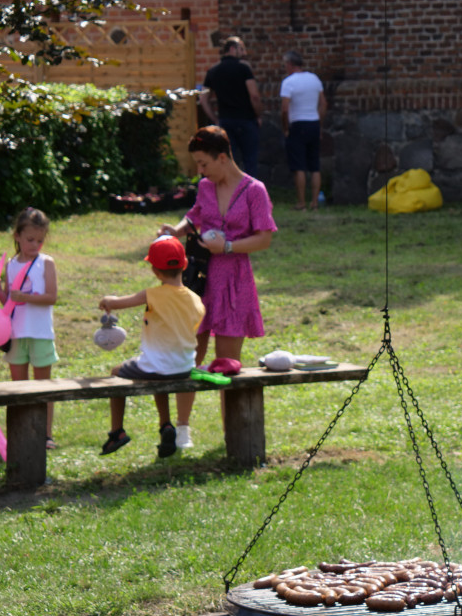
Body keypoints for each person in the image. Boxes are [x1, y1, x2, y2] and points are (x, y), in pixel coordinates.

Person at [158, 126, 277, 449]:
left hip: (235, 281)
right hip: (200, 279)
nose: (200, 170)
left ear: (222, 158)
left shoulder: (255, 190)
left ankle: (231, 436)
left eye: (203, 163)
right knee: (189, 355)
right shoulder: (206, 187)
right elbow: (195, 217)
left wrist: (228, 247)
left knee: (227, 364)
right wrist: (177, 230)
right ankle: (182, 430)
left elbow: (264, 238)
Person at [98, 236, 205, 458]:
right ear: (184, 265)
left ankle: (116, 431)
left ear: (155, 271)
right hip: (184, 366)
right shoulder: (196, 300)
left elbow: (118, 302)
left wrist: (108, 301)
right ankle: (166, 425)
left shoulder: (152, 295)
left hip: (158, 366)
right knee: (159, 374)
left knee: (116, 373)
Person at [0, 207, 59, 448]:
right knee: (18, 389)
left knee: (43, 388)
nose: (35, 245)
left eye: (40, 240)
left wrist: (24, 297)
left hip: (40, 334)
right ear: (17, 236)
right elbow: (10, 303)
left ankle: (46, 435)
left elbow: (51, 297)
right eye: (30, 239)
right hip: (16, 334)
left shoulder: (46, 263)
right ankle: (20, 435)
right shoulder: (10, 264)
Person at [200, 36, 264, 177]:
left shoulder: (213, 71)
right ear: (232, 49)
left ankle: (231, 196)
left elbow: (203, 99)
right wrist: (258, 114)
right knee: (250, 162)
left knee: (229, 161)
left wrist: (215, 119)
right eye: (241, 48)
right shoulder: (243, 68)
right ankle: (251, 195)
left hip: (226, 121)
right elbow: (254, 95)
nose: (244, 53)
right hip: (246, 120)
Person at [280, 50, 327, 211]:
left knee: (299, 165)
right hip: (313, 122)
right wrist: (319, 124)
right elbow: (323, 103)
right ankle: (314, 202)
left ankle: (301, 202)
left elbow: (285, 109)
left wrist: (286, 128)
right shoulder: (314, 79)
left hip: (298, 124)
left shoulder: (288, 82)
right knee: (315, 165)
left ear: (290, 64)